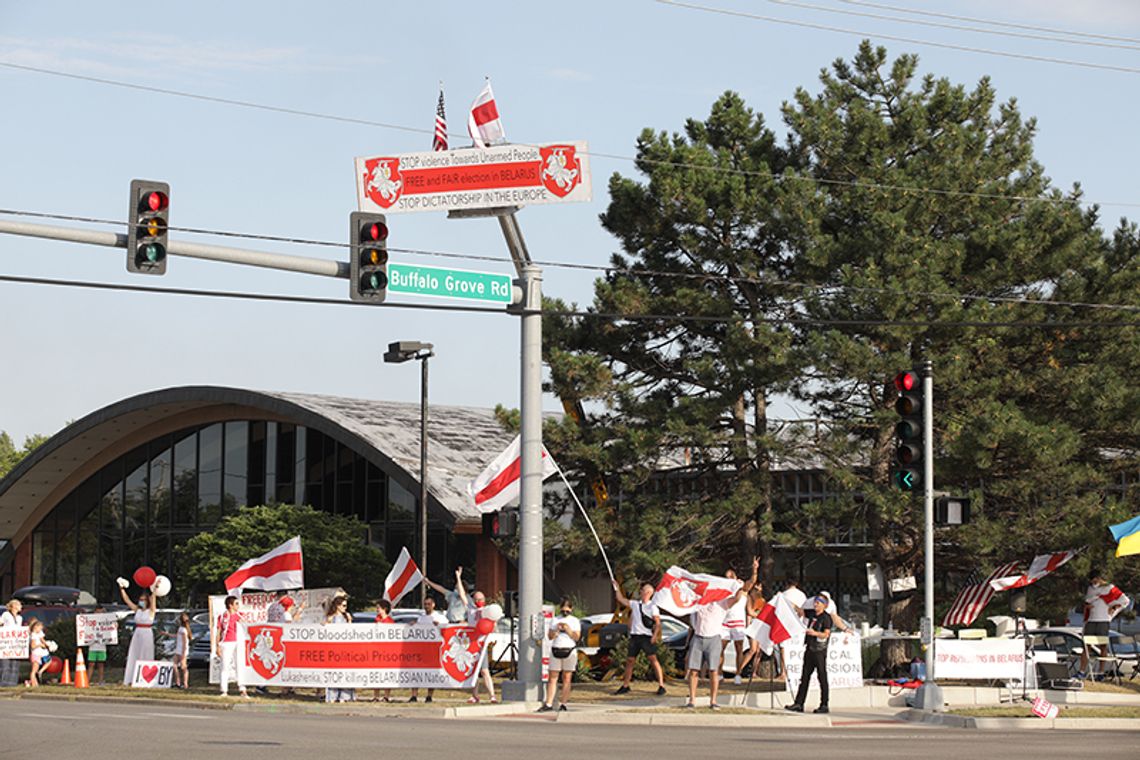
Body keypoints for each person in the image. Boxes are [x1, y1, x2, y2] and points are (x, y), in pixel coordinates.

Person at [684, 557, 759, 709]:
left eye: (730, 577)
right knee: (696, 669)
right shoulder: (704, 600)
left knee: (730, 655)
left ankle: (717, 696)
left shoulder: (729, 598)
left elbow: (742, 593)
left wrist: (754, 570)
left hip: (723, 631)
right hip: (704, 634)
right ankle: (692, 699)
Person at [611, 580, 667, 696]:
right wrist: (616, 588)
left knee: (653, 659)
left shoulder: (653, 606)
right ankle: (626, 685)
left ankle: (661, 685)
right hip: (635, 636)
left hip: (646, 637)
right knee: (630, 660)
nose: (640, 591)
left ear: (647, 592)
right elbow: (621, 599)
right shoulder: (635, 604)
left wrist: (654, 636)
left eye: (642, 590)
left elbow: (657, 623)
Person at [1079, 570, 1132, 678]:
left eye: (1095, 579)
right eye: (1091, 580)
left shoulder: (1109, 588)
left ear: (1100, 578)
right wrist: (1087, 607)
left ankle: (1101, 672)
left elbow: (1125, 601)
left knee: (1103, 646)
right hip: (1091, 620)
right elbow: (1087, 601)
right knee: (1086, 646)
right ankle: (1081, 671)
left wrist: (1114, 607)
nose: (1093, 582)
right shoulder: (1090, 589)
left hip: (1103, 620)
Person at [785, 595, 832, 714]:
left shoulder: (825, 618)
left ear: (824, 605)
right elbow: (800, 610)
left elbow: (826, 634)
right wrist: (786, 600)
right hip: (809, 649)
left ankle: (824, 704)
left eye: (818, 603)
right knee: (805, 677)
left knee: (822, 676)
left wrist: (815, 633)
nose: (815, 604)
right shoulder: (812, 614)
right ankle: (799, 703)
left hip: (819, 650)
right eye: (815, 602)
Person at [538, 599, 581, 712]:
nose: (565, 613)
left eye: (568, 610)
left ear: (571, 610)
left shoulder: (574, 621)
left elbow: (576, 637)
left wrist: (568, 630)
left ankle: (564, 703)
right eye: (563, 610)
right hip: (556, 648)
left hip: (569, 649)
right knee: (553, 677)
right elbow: (550, 636)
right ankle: (549, 703)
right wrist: (556, 629)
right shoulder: (555, 620)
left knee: (567, 677)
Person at [457, 583, 497, 704]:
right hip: (471, 644)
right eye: (476, 599)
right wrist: (458, 578)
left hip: (481, 644)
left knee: (484, 670)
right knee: (473, 671)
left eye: (480, 599)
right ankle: (475, 695)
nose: (478, 601)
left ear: (484, 600)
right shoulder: (471, 609)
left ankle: (492, 695)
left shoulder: (488, 611)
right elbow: (462, 594)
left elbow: (493, 626)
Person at [409, 595, 448, 703]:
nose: (427, 606)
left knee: (431, 672)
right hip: (421, 650)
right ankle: (414, 695)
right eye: (425, 604)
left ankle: (429, 695)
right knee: (416, 672)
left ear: (433, 605)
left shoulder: (439, 617)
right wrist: (413, 625)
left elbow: (447, 630)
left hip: (433, 650)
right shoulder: (421, 618)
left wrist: (439, 625)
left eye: (429, 604)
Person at [118, 576, 157, 685]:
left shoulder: (151, 611)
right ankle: (131, 678)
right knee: (134, 654)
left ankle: (145, 678)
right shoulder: (137, 609)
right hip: (137, 633)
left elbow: (153, 602)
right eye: (140, 600)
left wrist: (153, 592)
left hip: (147, 633)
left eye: (143, 600)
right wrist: (122, 589)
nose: (141, 601)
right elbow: (127, 600)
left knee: (146, 654)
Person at [215, 595, 250, 699]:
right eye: (236, 604)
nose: (238, 606)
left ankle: (242, 689)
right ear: (230, 605)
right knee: (225, 666)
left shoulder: (240, 616)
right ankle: (224, 690)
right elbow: (218, 631)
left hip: (238, 643)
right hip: (226, 642)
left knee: (240, 665)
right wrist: (217, 645)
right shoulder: (223, 616)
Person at [323, 594, 354, 703]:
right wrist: (326, 623)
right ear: (337, 606)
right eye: (343, 606)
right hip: (334, 649)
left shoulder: (346, 617)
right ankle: (332, 695)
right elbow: (324, 630)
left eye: (346, 606)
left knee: (344, 672)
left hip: (345, 649)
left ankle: (345, 696)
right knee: (333, 672)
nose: (345, 608)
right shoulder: (331, 617)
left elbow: (351, 633)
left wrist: (350, 621)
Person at [721, 568, 749, 685]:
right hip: (725, 622)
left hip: (738, 622)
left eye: (731, 577)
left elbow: (751, 582)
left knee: (739, 649)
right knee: (720, 648)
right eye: (727, 577)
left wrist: (755, 571)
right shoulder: (724, 590)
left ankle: (738, 674)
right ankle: (719, 674)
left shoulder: (742, 588)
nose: (729, 580)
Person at [371, 599, 396, 703]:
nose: (377, 610)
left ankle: (386, 695)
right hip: (377, 651)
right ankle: (376, 695)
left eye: (378, 608)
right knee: (376, 673)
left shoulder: (390, 622)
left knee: (386, 674)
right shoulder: (376, 620)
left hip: (387, 651)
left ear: (384, 609)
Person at [0, 599, 23, 687]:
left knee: (15, 664)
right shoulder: (6, 615)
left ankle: (12, 682)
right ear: (14, 606)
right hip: (6, 643)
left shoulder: (19, 618)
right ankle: (3, 683)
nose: (21, 607)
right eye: (19, 605)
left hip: (16, 644)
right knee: (5, 664)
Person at [27, 618, 51, 688]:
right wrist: (40, 645)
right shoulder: (33, 635)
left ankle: (35, 682)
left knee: (47, 661)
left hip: (40, 653)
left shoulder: (39, 633)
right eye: (40, 627)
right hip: (35, 654)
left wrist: (47, 645)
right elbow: (33, 646)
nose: (41, 628)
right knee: (34, 670)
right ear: (35, 627)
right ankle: (33, 684)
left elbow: (42, 639)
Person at [173, 611, 192, 689]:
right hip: (178, 649)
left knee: (183, 667)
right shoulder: (181, 629)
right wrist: (166, 634)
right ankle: (178, 682)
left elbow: (184, 642)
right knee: (174, 665)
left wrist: (183, 653)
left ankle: (185, 683)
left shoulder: (184, 630)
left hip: (182, 650)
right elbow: (177, 636)